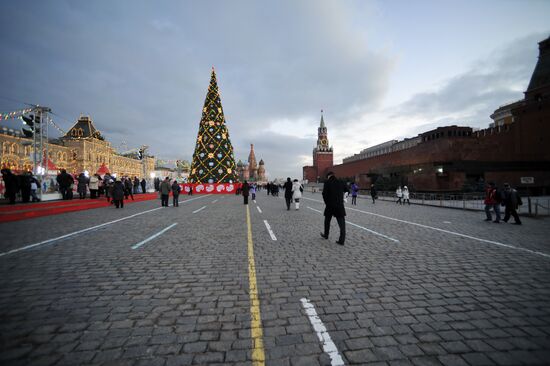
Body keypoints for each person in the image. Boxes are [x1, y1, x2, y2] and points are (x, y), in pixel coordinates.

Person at [321, 172, 348, 245]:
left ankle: (326, 235)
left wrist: (327, 203)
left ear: (328, 176)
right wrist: (343, 199)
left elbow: (324, 194)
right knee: (342, 224)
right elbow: (347, 191)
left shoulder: (327, 182)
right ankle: (342, 240)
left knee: (327, 221)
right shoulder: (341, 182)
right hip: (339, 205)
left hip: (330, 205)